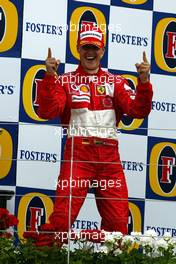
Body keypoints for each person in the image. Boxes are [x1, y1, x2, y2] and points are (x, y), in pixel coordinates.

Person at [37, 22, 153, 241]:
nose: (90, 53)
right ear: (78, 49)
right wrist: (50, 77)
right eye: (85, 47)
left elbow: (137, 111)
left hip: (110, 161)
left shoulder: (115, 82)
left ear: (103, 51)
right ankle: (46, 256)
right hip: (78, 157)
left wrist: (144, 83)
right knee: (61, 219)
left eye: (95, 48)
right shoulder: (65, 80)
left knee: (118, 225)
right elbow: (47, 111)